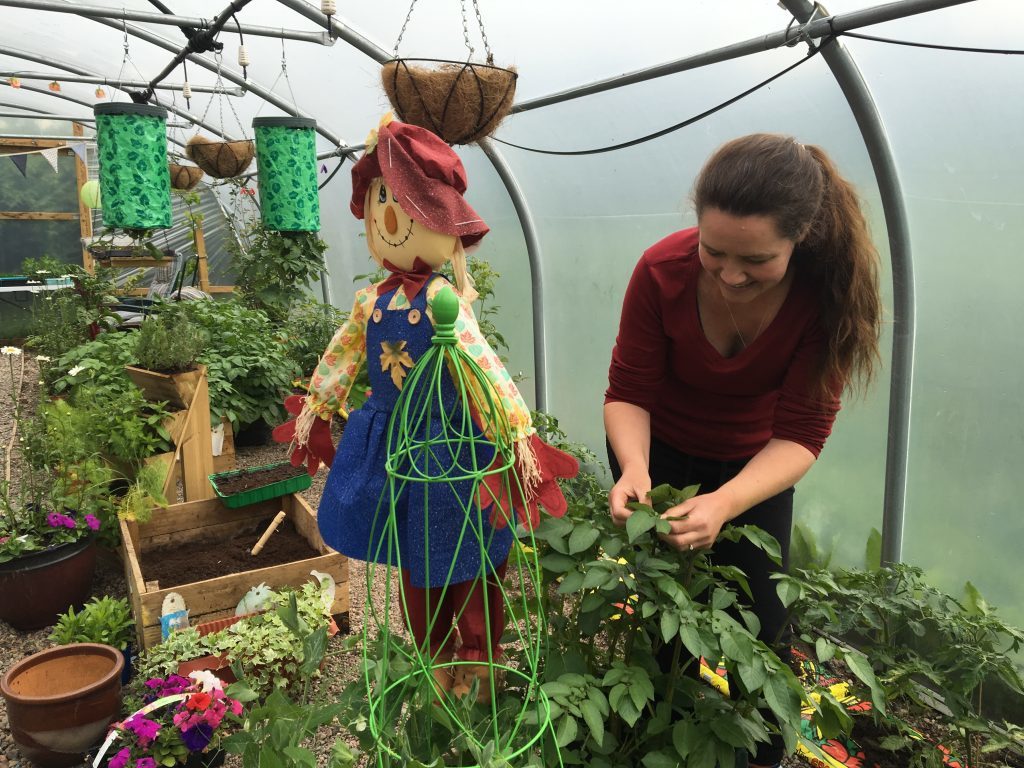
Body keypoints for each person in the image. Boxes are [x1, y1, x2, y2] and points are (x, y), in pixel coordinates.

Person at [275, 115, 577, 703]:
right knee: (415, 551)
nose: (389, 218)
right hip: (394, 444)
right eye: (382, 200)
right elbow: (340, 356)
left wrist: (517, 436)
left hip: (447, 443)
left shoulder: (442, 300)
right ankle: (433, 655)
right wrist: (319, 409)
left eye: (404, 204)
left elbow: (481, 368)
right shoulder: (371, 300)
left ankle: (477, 655)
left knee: (463, 549)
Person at [603, 133, 882, 768]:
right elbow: (628, 392)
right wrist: (635, 470)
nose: (730, 273)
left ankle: (763, 752)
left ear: (800, 238)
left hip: (753, 467)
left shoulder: (824, 296)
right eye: (714, 251)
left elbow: (803, 432)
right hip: (658, 449)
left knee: (760, 621)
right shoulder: (660, 272)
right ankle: (646, 737)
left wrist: (725, 504)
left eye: (756, 260)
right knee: (660, 610)